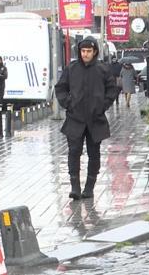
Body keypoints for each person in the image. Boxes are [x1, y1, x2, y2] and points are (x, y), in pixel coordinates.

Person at [55, 36, 117, 200]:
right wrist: (68, 104)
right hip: (75, 119)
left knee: (94, 154)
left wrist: (103, 106)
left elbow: (112, 89)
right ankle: (75, 186)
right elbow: (60, 88)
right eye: (83, 51)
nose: (86, 54)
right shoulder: (72, 68)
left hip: (95, 120)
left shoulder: (102, 69)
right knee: (74, 152)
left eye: (89, 51)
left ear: (95, 51)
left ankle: (89, 187)